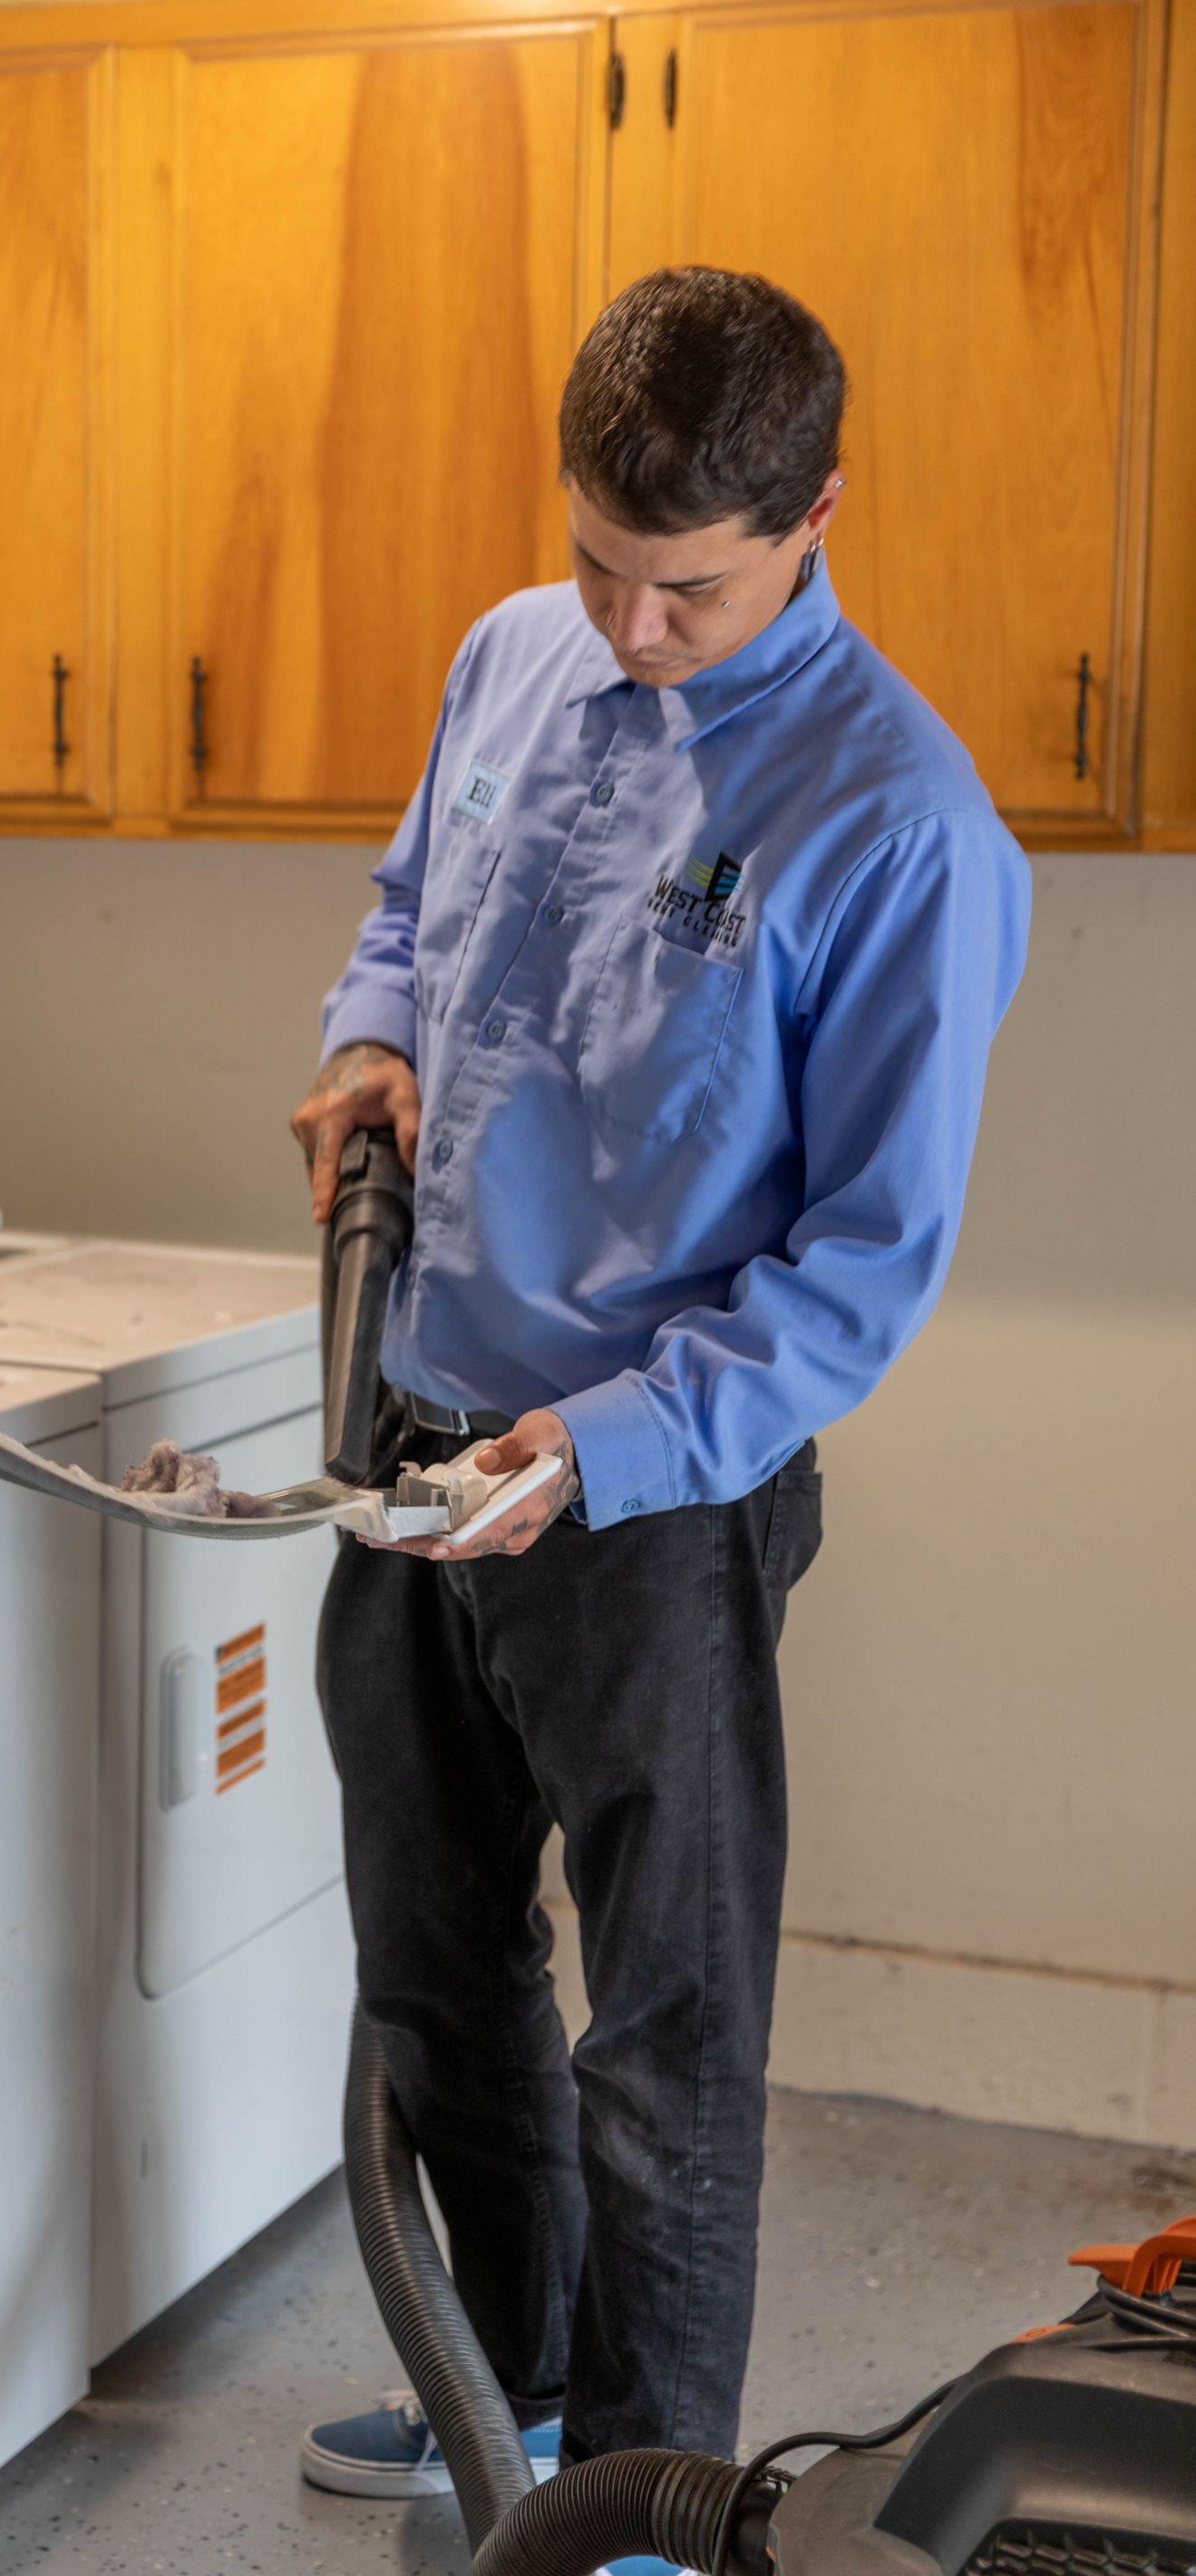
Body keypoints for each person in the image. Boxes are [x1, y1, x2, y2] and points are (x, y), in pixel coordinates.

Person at [289, 267, 1031, 2532]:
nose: (624, 620)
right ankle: (502, 2389)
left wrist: (601, 1447)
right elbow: (413, 910)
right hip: (410, 1433)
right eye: (599, 559)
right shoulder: (512, 650)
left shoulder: (903, 824)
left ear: (818, 515)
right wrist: (367, 1036)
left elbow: (861, 1275)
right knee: (435, 1972)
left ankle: (634, 2503)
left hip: (650, 1502)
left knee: (667, 2044)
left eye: (683, 586)